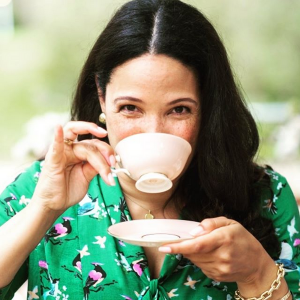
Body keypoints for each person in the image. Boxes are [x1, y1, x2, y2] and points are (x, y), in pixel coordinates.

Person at [0, 0, 299, 299]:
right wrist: (43, 209)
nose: (153, 131)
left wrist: (256, 273)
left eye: (179, 110)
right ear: (103, 98)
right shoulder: (41, 188)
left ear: (207, 106)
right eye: (130, 108)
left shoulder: (267, 198)